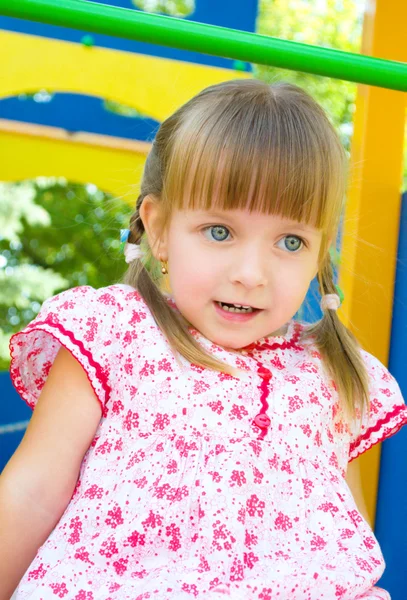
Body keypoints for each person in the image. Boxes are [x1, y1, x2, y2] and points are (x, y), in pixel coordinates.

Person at [1, 79, 406, 600]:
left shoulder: (327, 373)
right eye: (220, 231)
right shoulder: (115, 335)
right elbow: (34, 493)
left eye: (290, 241)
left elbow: (342, 540)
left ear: (320, 253)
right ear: (161, 229)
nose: (251, 273)